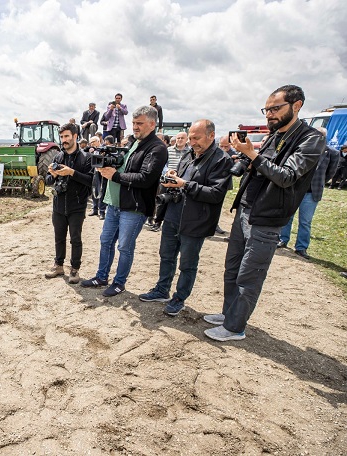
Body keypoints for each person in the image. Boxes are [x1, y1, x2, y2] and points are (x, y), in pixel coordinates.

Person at [203, 84, 324, 342]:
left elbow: (287, 176)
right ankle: (228, 314)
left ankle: (235, 328)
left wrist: (253, 156)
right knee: (232, 269)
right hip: (246, 210)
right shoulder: (274, 135)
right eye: (266, 110)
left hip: (268, 218)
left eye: (275, 109)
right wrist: (246, 159)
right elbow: (260, 165)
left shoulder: (311, 138)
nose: (269, 115)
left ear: (297, 105)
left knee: (250, 275)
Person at [138, 119, 232, 316]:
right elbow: (181, 179)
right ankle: (162, 290)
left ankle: (179, 298)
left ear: (211, 135)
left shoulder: (221, 160)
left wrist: (184, 184)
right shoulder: (188, 154)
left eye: (196, 138)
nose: (192, 142)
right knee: (166, 255)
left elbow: (215, 193)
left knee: (188, 263)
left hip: (196, 220)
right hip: (173, 214)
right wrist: (174, 175)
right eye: (190, 138)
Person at [80, 106, 168, 296]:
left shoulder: (157, 148)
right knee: (106, 241)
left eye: (139, 123)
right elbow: (124, 164)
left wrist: (116, 177)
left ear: (152, 124)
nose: (135, 127)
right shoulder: (134, 143)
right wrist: (107, 162)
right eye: (134, 123)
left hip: (134, 207)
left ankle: (119, 283)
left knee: (124, 247)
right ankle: (101, 277)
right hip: (115, 203)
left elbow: (146, 179)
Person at [278, 127, 339, 259]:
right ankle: (283, 240)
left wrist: (319, 182)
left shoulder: (332, 153)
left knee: (305, 221)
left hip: (312, 192)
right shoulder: (302, 148)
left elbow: (331, 172)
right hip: (295, 189)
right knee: (288, 216)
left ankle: (301, 247)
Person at [44, 123, 93, 284]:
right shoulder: (58, 156)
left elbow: (91, 181)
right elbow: (49, 181)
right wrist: (53, 174)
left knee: (75, 239)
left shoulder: (86, 158)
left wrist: (71, 172)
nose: (64, 140)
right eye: (62, 137)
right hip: (58, 205)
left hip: (77, 206)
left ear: (75, 136)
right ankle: (58, 265)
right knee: (59, 237)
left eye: (67, 136)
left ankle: (74, 269)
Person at [149, 131, 189, 231]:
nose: (179, 140)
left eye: (182, 138)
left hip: (181, 180)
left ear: (186, 139)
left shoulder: (189, 152)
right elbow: (163, 164)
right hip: (166, 179)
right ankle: (157, 222)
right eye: (178, 138)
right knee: (161, 201)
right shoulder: (168, 150)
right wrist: (168, 172)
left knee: (179, 201)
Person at [88, 135, 107, 219]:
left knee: (102, 191)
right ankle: (95, 209)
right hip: (95, 172)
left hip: (103, 173)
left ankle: (102, 211)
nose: (91, 144)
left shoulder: (104, 149)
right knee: (95, 190)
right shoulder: (92, 150)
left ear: (98, 141)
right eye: (90, 142)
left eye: (93, 142)